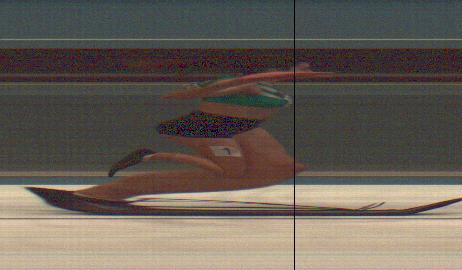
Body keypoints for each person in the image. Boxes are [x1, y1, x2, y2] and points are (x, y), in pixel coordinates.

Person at [71, 64, 331, 201]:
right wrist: (237, 85)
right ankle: (149, 158)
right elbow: (179, 95)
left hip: (240, 128)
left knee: (278, 168)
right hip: (206, 129)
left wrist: (295, 72)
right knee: (232, 171)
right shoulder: (234, 83)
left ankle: (137, 175)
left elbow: (269, 78)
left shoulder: (269, 87)